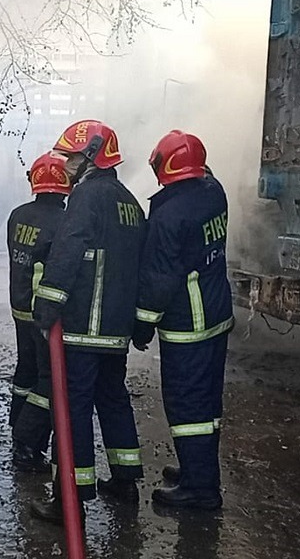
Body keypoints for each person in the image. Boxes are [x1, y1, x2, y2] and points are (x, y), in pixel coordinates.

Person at [31, 119, 147, 523]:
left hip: (83, 329)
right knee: (113, 399)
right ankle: (125, 481)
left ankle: (70, 499)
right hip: (115, 332)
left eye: (70, 156)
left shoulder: (86, 197)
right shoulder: (130, 203)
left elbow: (69, 250)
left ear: (92, 156)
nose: (64, 164)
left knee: (72, 410)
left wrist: (47, 304)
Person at [132, 130, 233, 510]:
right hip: (217, 313)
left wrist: (142, 326)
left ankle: (200, 490)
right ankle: (198, 469)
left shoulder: (170, 216)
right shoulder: (214, 192)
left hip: (189, 325)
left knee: (188, 407)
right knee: (208, 403)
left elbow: (159, 279)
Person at [6, 152, 70, 471]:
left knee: (26, 370)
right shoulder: (63, 222)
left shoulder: (17, 215)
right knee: (49, 379)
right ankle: (26, 442)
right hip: (43, 312)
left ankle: (17, 425)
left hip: (20, 306)